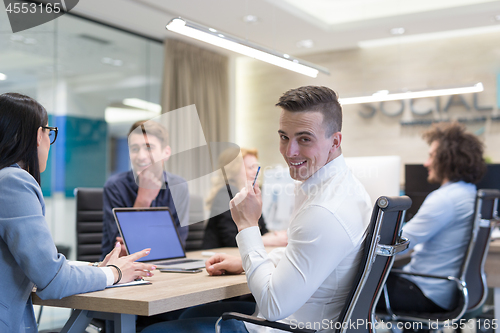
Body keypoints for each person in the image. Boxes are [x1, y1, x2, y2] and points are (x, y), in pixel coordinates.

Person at [142, 86, 372, 333]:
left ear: (335, 141)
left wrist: (247, 225)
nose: (289, 151)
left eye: (304, 139)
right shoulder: (343, 188)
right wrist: (245, 261)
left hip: (288, 326)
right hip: (305, 318)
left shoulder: (324, 210)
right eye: (284, 137)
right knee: (191, 313)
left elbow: (273, 306)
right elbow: (303, 258)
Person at [0, 93, 155, 333]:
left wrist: (98, 269)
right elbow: (52, 281)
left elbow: (43, 267)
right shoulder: (13, 182)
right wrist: (114, 273)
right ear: (35, 135)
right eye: (48, 131)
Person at [382, 122, 486, 313]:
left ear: (447, 159)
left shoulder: (446, 199)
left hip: (426, 291)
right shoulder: (468, 192)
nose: (426, 163)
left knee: (350, 290)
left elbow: (398, 244)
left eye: (431, 156)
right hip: (446, 289)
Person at [101, 120, 189, 258]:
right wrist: (143, 200)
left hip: (166, 265)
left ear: (166, 152)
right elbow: (119, 249)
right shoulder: (115, 186)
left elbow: (177, 244)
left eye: (149, 148)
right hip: (121, 269)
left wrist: (136, 241)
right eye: (134, 149)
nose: (141, 156)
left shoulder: (179, 186)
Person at [202, 147, 287, 249]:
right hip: (217, 257)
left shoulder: (250, 198)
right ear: (234, 170)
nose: (257, 172)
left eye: (257, 167)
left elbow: (263, 231)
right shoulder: (226, 192)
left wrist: (279, 236)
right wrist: (271, 240)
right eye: (251, 167)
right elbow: (231, 239)